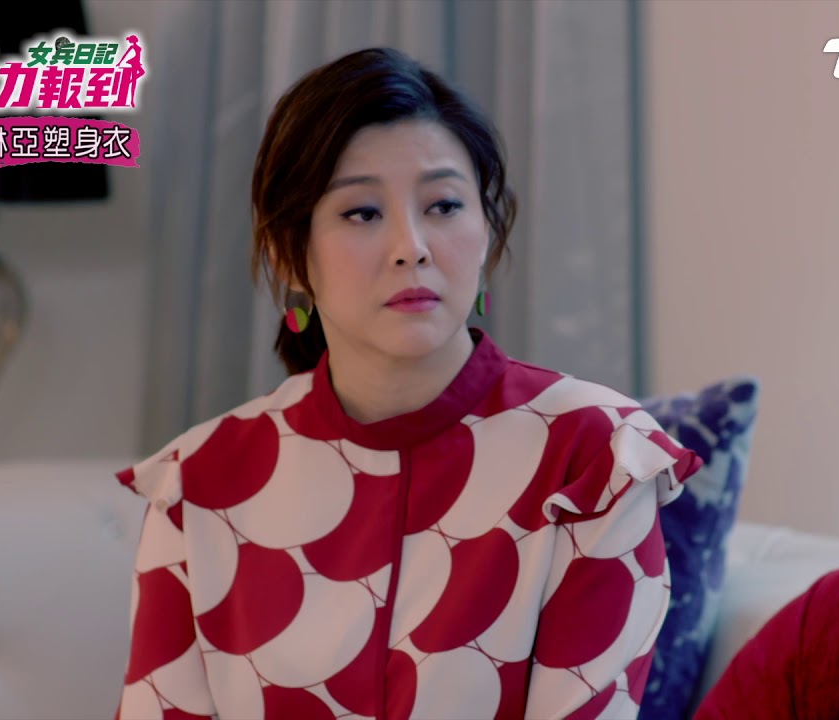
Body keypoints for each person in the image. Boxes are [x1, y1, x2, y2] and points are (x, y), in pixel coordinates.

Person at [114, 47, 701, 720]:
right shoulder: (200, 483)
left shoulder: (594, 457)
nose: (411, 247)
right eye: (362, 213)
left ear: (488, 233)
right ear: (288, 255)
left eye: (444, 205)